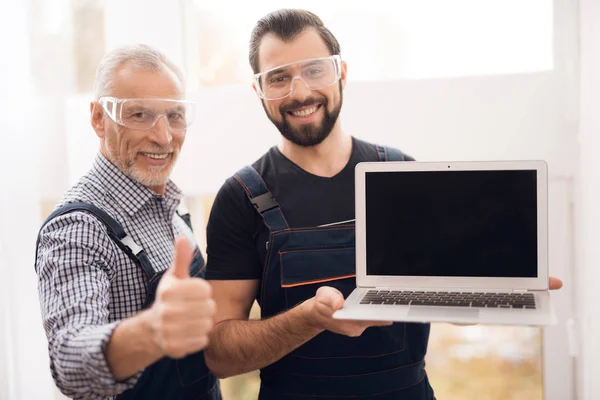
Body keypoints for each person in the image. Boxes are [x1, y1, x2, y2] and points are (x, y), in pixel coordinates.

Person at [203, 9, 563, 400]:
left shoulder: (403, 176)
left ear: (341, 72)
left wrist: (493, 286)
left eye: (314, 70)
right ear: (259, 90)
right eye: (279, 77)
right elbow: (219, 355)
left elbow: (448, 304)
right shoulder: (241, 198)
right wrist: (308, 320)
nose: (300, 92)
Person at [34, 44, 220, 400]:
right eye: (139, 115)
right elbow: (70, 359)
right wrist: (153, 331)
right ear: (98, 118)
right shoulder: (78, 227)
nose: (164, 137)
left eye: (175, 116)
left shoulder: (169, 206)